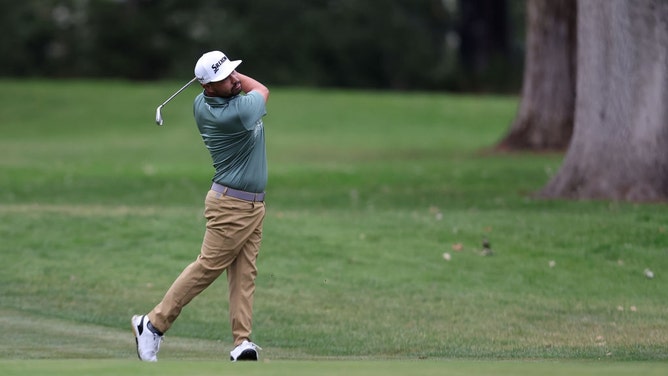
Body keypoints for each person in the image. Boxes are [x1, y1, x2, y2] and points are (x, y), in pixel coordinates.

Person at [132, 50, 270, 362]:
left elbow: (236, 86)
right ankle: (152, 324)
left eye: (234, 73)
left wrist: (224, 73)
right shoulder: (235, 113)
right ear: (207, 88)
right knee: (207, 268)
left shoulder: (202, 101)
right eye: (224, 79)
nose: (235, 80)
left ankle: (241, 341)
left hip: (250, 206)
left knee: (244, 274)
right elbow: (261, 89)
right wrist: (231, 78)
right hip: (231, 207)